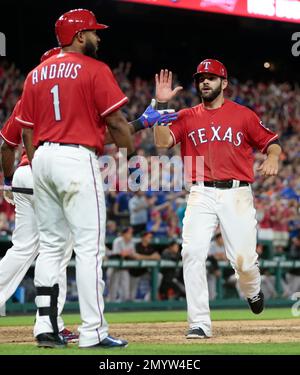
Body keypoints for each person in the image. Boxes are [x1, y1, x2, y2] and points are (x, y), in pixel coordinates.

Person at [17, 9, 176, 349]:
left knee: (51, 246)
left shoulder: (36, 73)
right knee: (89, 250)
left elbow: (28, 131)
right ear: (78, 36)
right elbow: (116, 124)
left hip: (41, 159)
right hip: (76, 159)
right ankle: (94, 331)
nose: (98, 37)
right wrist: (132, 158)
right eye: (93, 32)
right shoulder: (94, 68)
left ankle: (45, 327)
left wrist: (37, 163)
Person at [153, 60, 282, 339]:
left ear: (224, 83)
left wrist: (272, 157)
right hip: (201, 192)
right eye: (201, 78)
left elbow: (271, 143)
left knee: (244, 262)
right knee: (191, 253)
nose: (205, 83)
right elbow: (163, 141)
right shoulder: (186, 115)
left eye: (211, 78)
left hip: (237, 193)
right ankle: (199, 323)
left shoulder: (243, 115)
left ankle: (252, 290)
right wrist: (161, 107)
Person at [0, 47, 78, 343]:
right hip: (50, 175)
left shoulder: (27, 99)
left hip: (22, 174)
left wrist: (8, 181)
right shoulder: (70, 98)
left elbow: (6, 145)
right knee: (56, 251)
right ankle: (50, 322)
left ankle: (51, 321)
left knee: (22, 248)